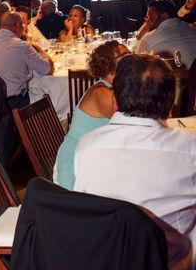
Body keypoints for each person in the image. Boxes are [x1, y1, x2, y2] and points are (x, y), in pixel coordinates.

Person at [74, 54, 196, 268]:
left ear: (114, 101)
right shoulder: (190, 149)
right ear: (171, 103)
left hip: (108, 259)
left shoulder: (87, 145)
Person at [53, 41, 129, 190]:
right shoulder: (101, 93)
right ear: (109, 63)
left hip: (94, 155)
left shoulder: (111, 89)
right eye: (126, 56)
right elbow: (131, 120)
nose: (132, 58)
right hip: (76, 160)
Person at [0, 12, 53, 109]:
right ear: (17, 25)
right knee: (45, 97)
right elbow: (48, 69)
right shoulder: (21, 46)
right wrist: (39, 49)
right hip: (11, 106)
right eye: (23, 24)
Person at [134, 0, 196, 69]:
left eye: (150, 17)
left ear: (164, 15)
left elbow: (136, 64)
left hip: (174, 79)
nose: (147, 22)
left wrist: (142, 36)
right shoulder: (192, 28)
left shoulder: (149, 38)